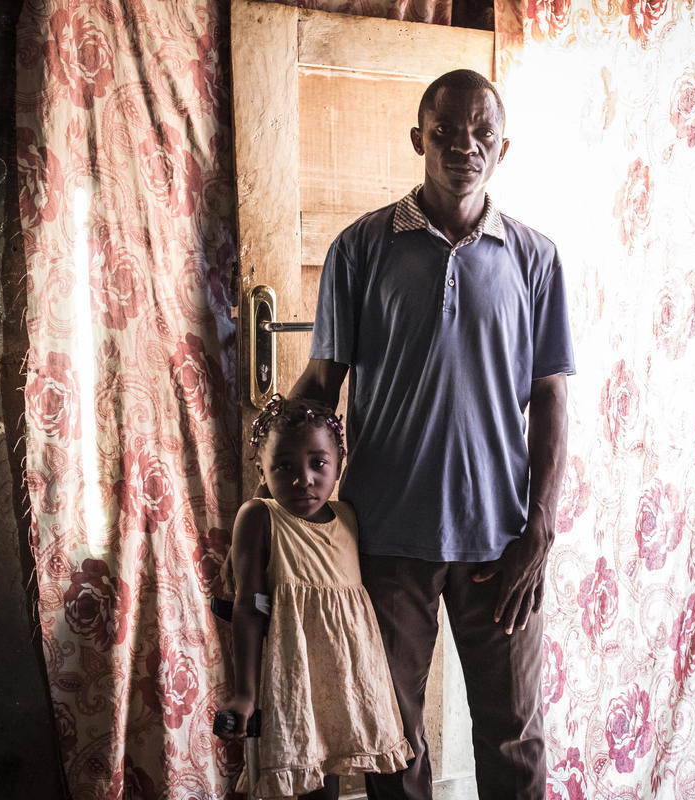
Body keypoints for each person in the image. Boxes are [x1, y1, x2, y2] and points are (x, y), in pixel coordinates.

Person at [291, 69, 574, 799]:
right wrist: (280, 496)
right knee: (392, 738)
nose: (463, 146)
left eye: (482, 133)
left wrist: (540, 526)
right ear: (418, 139)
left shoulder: (535, 259)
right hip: (388, 536)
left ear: (503, 148)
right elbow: (321, 386)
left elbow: (550, 399)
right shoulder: (360, 248)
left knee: (514, 734)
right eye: (445, 131)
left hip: (501, 541)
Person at [219, 394, 414, 800]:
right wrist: (245, 694)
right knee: (297, 780)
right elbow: (248, 608)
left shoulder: (350, 518)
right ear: (261, 469)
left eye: (318, 463)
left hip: (347, 679)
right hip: (295, 677)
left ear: (339, 465)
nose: (303, 479)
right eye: (284, 466)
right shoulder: (259, 517)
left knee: (330, 778)